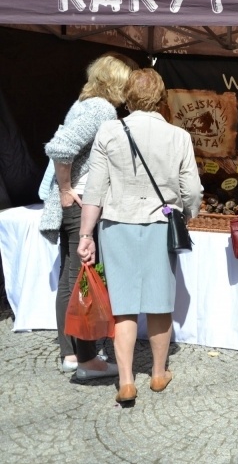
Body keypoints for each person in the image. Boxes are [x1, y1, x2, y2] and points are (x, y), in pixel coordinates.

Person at [77, 68, 202, 403]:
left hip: (117, 225)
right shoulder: (178, 136)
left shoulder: (110, 130)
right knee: (160, 304)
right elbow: (191, 190)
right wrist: (188, 213)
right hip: (161, 225)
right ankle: (159, 374)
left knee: (124, 306)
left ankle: (127, 381)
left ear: (127, 96)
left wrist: (85, 234)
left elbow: (95, 189)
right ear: (160, 98)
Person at [39, 52, 137, 378]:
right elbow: (60, 147)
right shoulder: (101, 109)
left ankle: (71, 352)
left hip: (72, 203)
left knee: (71, 276)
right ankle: (85, 357)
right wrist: (67, 189)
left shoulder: (84, 103)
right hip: (79, 204)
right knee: (80, 278)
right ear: (116, 82)